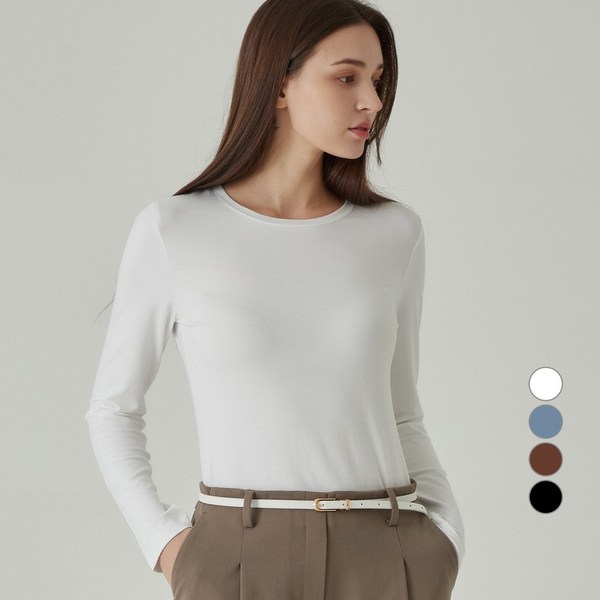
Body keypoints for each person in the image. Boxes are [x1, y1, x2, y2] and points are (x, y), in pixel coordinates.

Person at [85, 0, 465, 598]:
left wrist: (443, 536)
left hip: (386, 547)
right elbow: (113, 410)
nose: (372, 100)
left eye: (377, 80)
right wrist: (166, 545)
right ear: (280, 84)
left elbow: (401, 411)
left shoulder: (394, 233)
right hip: (236, 551)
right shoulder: (176, 230)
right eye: (347, 77)